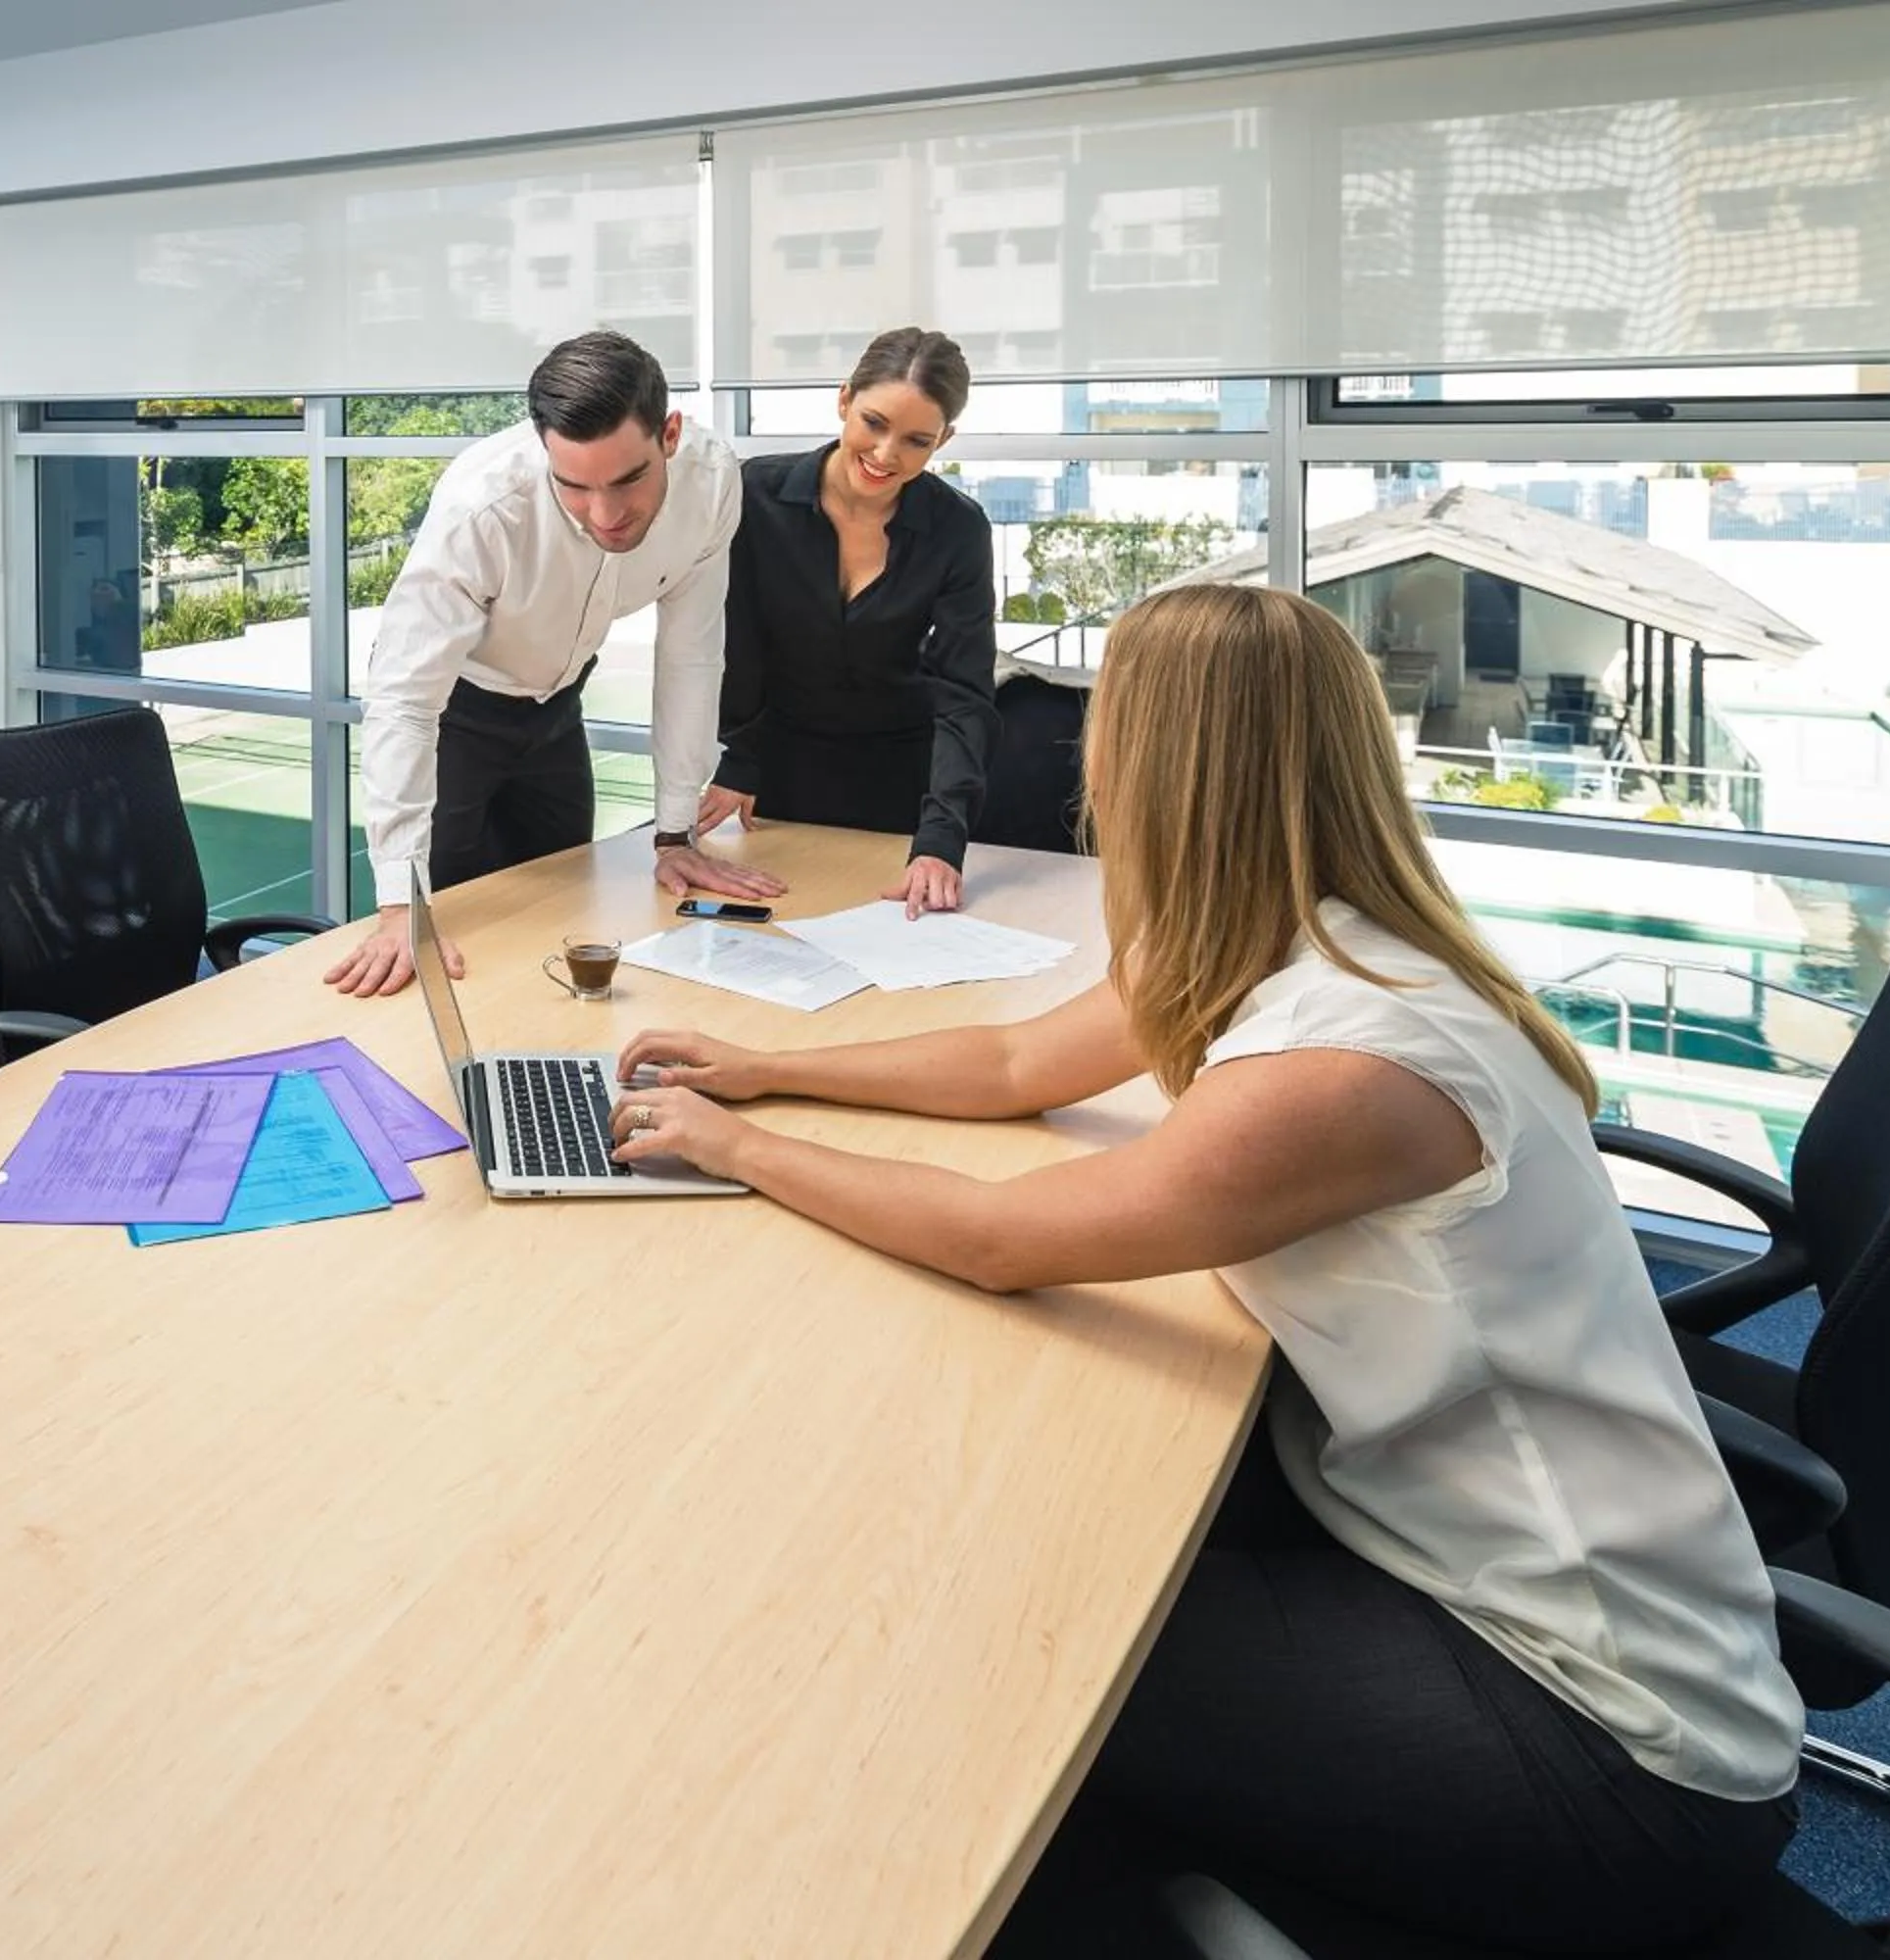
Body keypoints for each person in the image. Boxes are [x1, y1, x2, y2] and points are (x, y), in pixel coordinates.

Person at [607, 584, 1803, 1955]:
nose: (1085, 750)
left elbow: (1004, 1242)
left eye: (1106, 719)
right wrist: (765, 1072)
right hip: (1439, 1552)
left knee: (977, 1653)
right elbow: (1010, 1066)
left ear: (1162, 761)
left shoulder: (1345, 1057)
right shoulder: (1305, 935)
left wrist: (735, 1151)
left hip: (1605, 1740)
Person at [326, 330, 784, 998]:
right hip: (457, 712)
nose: (607, 515)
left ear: (671, 435)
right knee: (444, 944)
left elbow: (691, 652)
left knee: (564, 913)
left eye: (629, 480)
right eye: (574, 486)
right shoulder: (482, 506)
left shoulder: (712, 484)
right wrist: (400, 904)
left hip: (557, 708)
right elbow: (404, 699)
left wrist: (675, 834)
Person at [703, 327, 998, 916]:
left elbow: (963, 693)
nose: (887, 454)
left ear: (945, 440)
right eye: (874, 423)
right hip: (773, 778)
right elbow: (733, 638)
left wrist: (941, 840)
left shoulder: (959, 530)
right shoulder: (752, 497)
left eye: (917, 440)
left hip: (901, 783)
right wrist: (739, 758)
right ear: (844, 400)